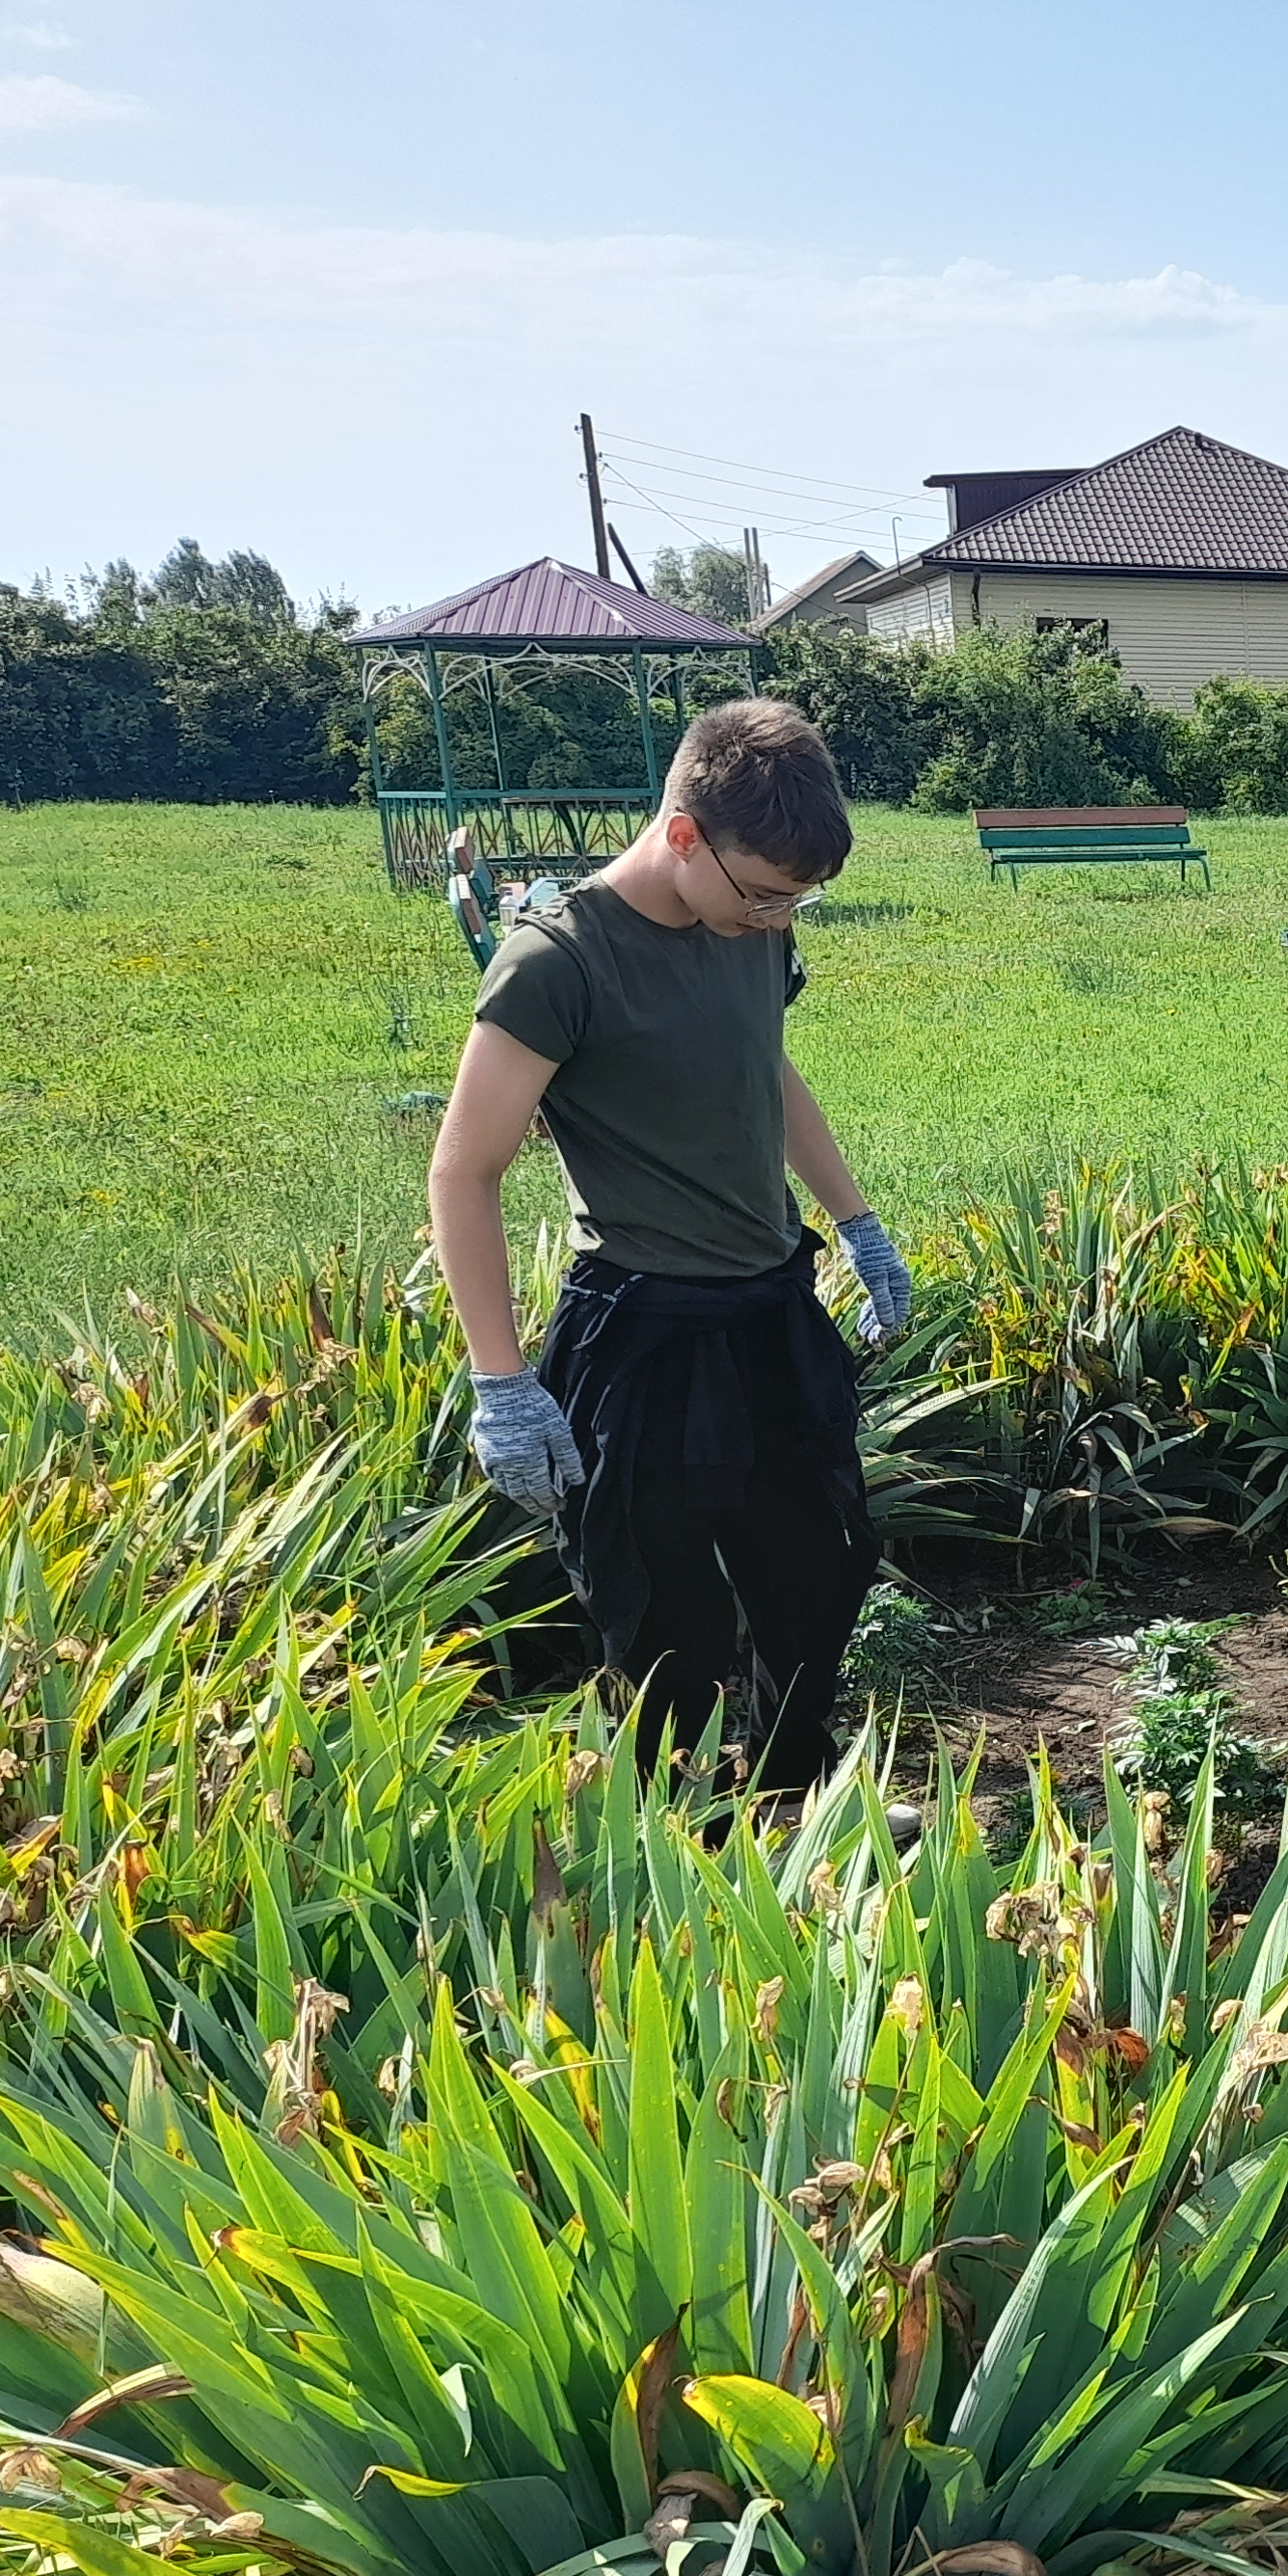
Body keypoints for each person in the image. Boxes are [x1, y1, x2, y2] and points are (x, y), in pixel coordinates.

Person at [427, 698, 905, 1794]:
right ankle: (678, 1848)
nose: (781, 919)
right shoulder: (558, 963)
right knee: (665, 1622)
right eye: (767, 895)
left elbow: (765, 1070)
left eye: (800, 900)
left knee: (817, 1577)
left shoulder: (747, 928)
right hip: (641, 1330)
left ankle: (795, 1808)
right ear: (684, 834)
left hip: (769, 1310)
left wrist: (856, 1221)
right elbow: (465, 1169)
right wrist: (500, 1381)